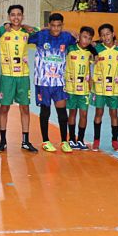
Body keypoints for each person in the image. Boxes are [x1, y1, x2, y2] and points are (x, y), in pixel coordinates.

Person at [28, 13, 76, 152]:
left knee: (62, 111)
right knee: (45, 111)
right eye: (53, 26)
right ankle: (45, 141)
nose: (56, 29)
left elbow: (82, 42)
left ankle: (64, 141)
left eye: (59, 26)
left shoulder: (67, 37)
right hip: (43, 81)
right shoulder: (41, 35)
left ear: (62, 25)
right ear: (49, 25)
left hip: (59, 82)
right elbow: (24, 37)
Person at [0, 5, 38, 153]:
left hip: (23, 76)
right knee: (4, 108)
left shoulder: (27, 32)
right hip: (7, 76)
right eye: (13, 15)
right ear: (8, 17)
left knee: (25, 108)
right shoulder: (2, 31)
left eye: (19, 14)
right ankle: (2, 140)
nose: (16, 17)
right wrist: (4, 25)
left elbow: (41, 31)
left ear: (23, 16)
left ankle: (25, 141)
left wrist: (26, 26)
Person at [90, 24, 118, 152]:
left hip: (114, 88)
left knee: (113, 113)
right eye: (103, 35)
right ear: (100, 37)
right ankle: (96, 140)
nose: (106, 37)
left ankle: (115, 141)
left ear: (113, 34)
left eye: (108, 34)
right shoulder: (96, 49)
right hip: (99, 87)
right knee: (98, 113)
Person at [64, 26, 97, 150]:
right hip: (71, 88)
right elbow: (61, 36)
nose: (86, 40)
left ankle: (81, 139)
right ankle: (72, 139)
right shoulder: (70, 48)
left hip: (84, 88)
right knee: (72, 112)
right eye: (84, 37)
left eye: (89, 38)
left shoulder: (90, 51)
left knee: (84, 114)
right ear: (79, 36)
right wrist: (70, 33)